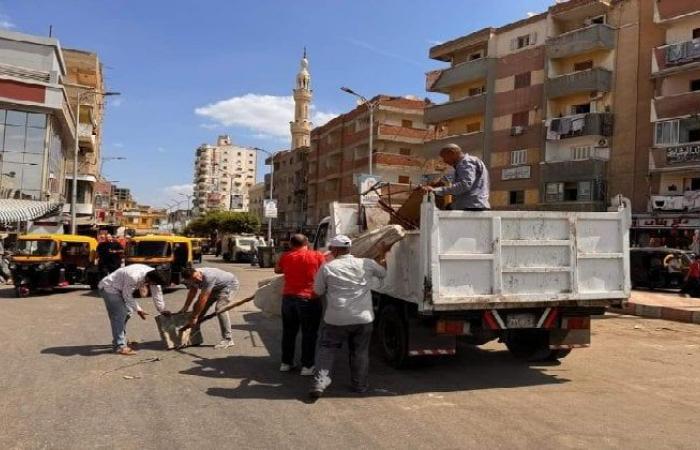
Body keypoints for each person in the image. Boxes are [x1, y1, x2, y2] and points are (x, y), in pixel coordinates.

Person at [309, 235, 390, 398]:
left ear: (335, 249)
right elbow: (383, 273)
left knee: (327, 350)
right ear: (349, 248)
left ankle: (319, 384)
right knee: (360, 352)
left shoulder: (327, 267)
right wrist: (382, 255)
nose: (330, 251)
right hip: (363, 318)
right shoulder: (366, 263)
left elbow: (317, 292)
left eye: (331, 248)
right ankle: (359, 386)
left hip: (336, 319)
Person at [275, 234, 326, 375]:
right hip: (309, 298)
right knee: (309, 333)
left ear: (291, 244)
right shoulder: (316, 255)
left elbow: (278, 270)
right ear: (307, 243)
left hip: (288, 298)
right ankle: (307, 366)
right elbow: (326, 271)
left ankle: (286, 362)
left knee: (289, 332)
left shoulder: (286, 256)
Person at [98, 264, 170, 355]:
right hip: (110, 288)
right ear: (148, 280)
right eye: (151, 283)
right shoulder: (134, 276)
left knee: (128, 312)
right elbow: (127, 295)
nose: (152, 285)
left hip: (121, 288)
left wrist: (162, 310)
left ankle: (121, 340)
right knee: (120, 315)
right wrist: (139, 309)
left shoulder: (156, 274)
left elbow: (157, 294)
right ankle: (119, 346)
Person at [179, 266, 240, 349]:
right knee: (198, 308)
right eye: (195, 279)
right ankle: (194, 338)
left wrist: (194, 317)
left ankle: (228, 339)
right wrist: (186, 306)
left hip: (229, 285)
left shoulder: (209, 277)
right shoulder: (191, 279)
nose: (199, 279)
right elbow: (192, 292)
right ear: (189, 280)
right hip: (215, 287)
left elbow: (203, 298)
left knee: (220, 309)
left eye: (198, 276)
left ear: (197, 271)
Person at [421, 143, 490, 211]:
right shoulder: (467, 163)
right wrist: (437, 184)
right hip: (474, 204)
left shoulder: (465, 162)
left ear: (452, 153)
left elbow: (465, 185)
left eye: (444, 157)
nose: (445, 161)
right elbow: (453, 179)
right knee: (448, 207)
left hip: (471, 206)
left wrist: (436, 190)